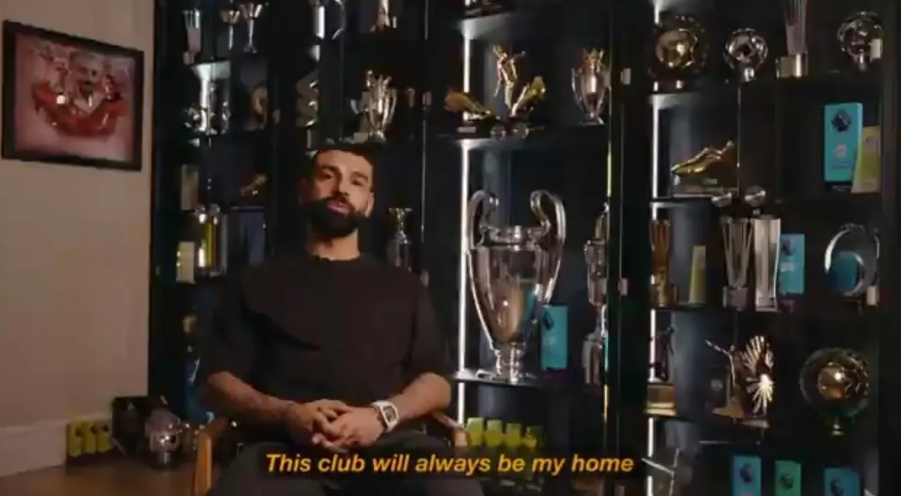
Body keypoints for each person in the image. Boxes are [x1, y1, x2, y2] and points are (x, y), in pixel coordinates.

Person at [199, 147, 483, 496]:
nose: (341, 189)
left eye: (356, 181)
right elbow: (216, 382)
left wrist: (380, 416)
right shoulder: (254, 282)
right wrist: (288, 415)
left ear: (369, 203)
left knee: (450, 485)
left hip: (387, 449)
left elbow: (437, 383)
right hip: (282, 453)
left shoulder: (403, 287)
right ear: (304, 191)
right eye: (328, 175)